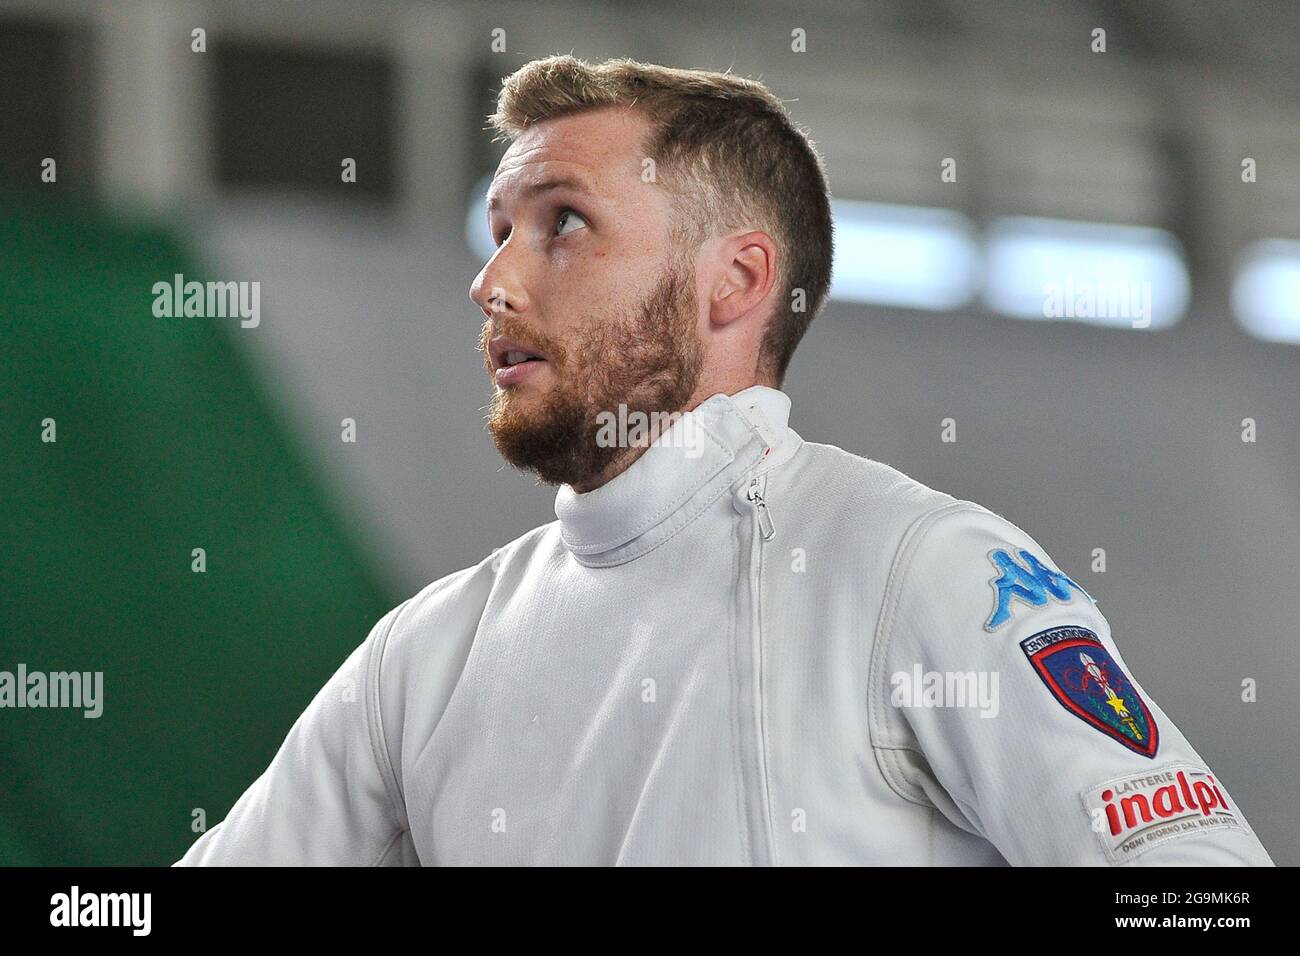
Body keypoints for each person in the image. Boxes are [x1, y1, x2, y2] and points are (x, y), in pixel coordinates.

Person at [175, 55, 1273, 866]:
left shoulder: (919, 569)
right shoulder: (423, 658)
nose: (494, 279)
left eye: (562, 223)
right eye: (498, 226)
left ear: (735, 282)